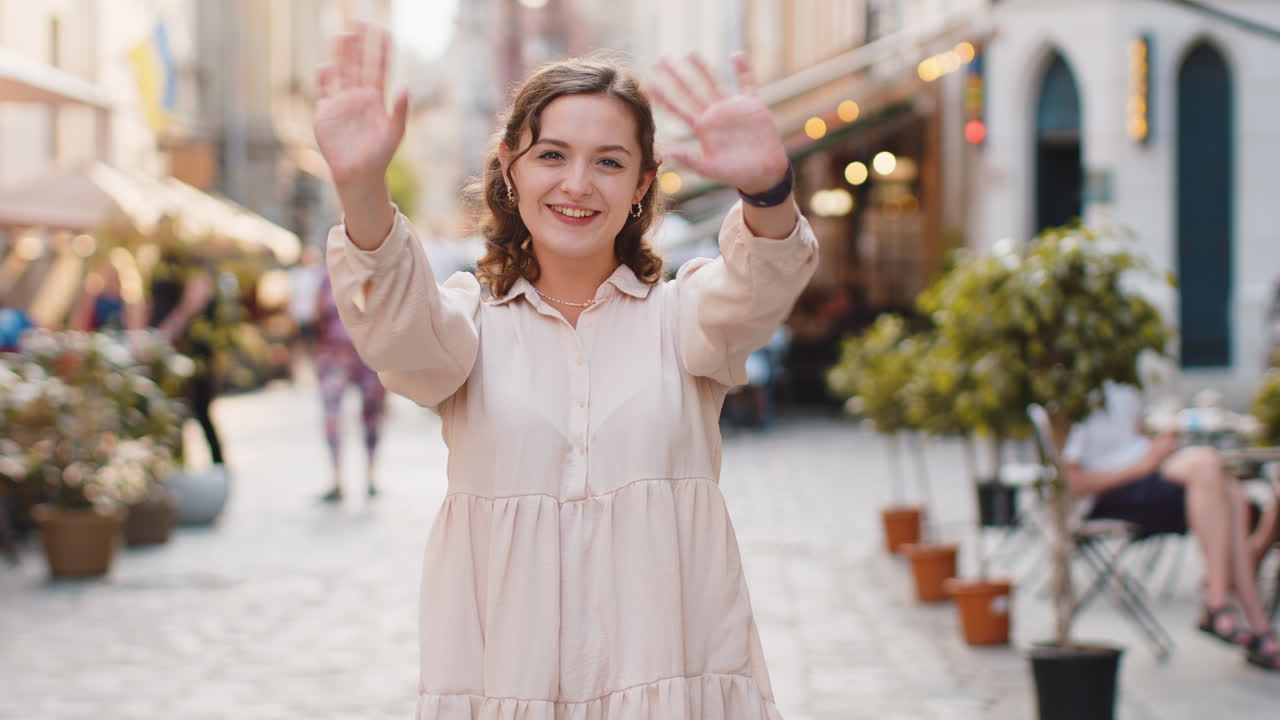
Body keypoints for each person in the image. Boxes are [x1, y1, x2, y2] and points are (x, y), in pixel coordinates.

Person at [314, 24, 816, 718]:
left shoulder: (685, 320)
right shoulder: (468, 327)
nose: (577, 184)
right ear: (509, 167)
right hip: (507, 684)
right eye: (551, 154)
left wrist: (769, 193)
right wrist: (362, 188)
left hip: (672, 682)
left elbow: (760, 286)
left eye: (609, 162)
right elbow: (401, 337)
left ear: (642, 183)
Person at [1062, 381, 1279, 670]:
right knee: (1211, 470)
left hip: (1150, 474)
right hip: (1112, 492)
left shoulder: (1122, 381)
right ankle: (1221, 605)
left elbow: (1133, 437)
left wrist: (1158, 445)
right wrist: (1146, 462)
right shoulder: (1073, 392)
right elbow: (1074, 485)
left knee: (1232, 491)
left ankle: (1251, 621)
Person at [313, 270, 386, 502]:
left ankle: (371, 476)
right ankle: (336, 478)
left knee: (372, 415)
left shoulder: (374, 275)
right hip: (335, 354)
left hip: (369, 356)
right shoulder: (327, 277)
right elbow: (318, 316)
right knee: (331, 417)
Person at [150, 254, 226, 470]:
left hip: (199, 361)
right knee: (177, 418)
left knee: (202, 415)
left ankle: (219, 469)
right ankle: (179, 466)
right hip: (176, 361)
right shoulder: (167, 281)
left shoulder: (206, 301)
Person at [288, 245, 325, 382]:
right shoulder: (296, 274)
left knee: (314, 345)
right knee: (299, 345)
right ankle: (295, 375)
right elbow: (291, 295)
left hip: (313, 315)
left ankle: (317, 373)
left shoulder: (318, 273)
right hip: (299, 315)